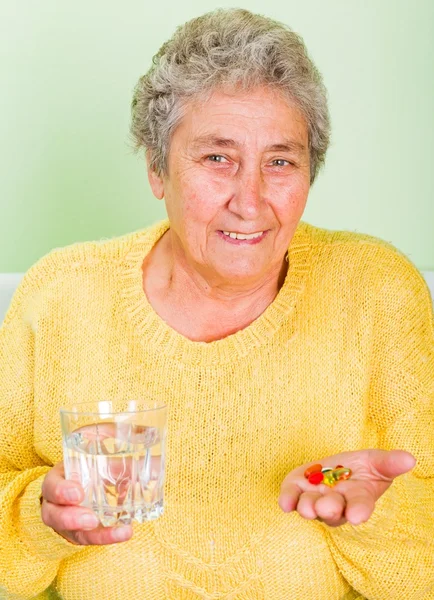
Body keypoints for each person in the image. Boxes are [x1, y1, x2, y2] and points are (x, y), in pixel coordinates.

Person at [0, 8, 433, 600]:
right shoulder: (59, 299)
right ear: (157, 168)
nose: (250, 202)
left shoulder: (377, 291)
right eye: (217, 158)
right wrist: (38, 517)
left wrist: (374, 515)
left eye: (280, 161)